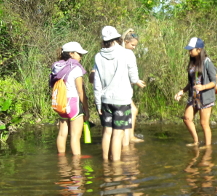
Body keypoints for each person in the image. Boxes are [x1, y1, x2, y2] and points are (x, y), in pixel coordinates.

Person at [93, 26, 146, 161]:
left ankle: (105, 163)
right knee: (117, 135)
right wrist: (136, 81)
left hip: (105, 100)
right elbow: (133, 77)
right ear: (118, 38)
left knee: (107, 133)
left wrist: (98, 102)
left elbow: (97, 82)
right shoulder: (126, 54)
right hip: (121, 100)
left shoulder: (98, 56)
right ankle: (116, 167)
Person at [174, 37, 217, 147]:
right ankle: (196, 141)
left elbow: (214, 82)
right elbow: (191, 82)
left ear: (199, 49)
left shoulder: (207, 62)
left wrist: (203, 87)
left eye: (191, 49)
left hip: (205, 97)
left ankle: (208, 147)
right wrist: (181, 91)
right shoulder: (192, 62)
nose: (189, 52)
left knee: (204, 124)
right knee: (187, 119)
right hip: (193, 97)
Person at [50, 42, 90, 155]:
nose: (81, 57)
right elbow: (81, 91)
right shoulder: (76, 68)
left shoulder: (56, 67)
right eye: (79, 54)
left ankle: (61, 160)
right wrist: (86, 109)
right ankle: (77, 164)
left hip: (60, 103)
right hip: (73, 104)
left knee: (62, 134)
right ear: (71, 54)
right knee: (75, 137)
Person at [121, 28, 143, 144]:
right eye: (132, 45)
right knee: (132, 110)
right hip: (122, 90)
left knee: (131, 110)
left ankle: (128, 136)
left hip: (111, 91)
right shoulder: (128, 53)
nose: (134, 48)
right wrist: (137, 81)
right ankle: (130, 137)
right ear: (126, 41)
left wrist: (125, 32)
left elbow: (120, 42)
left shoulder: (115, 51)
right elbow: (133, 72)